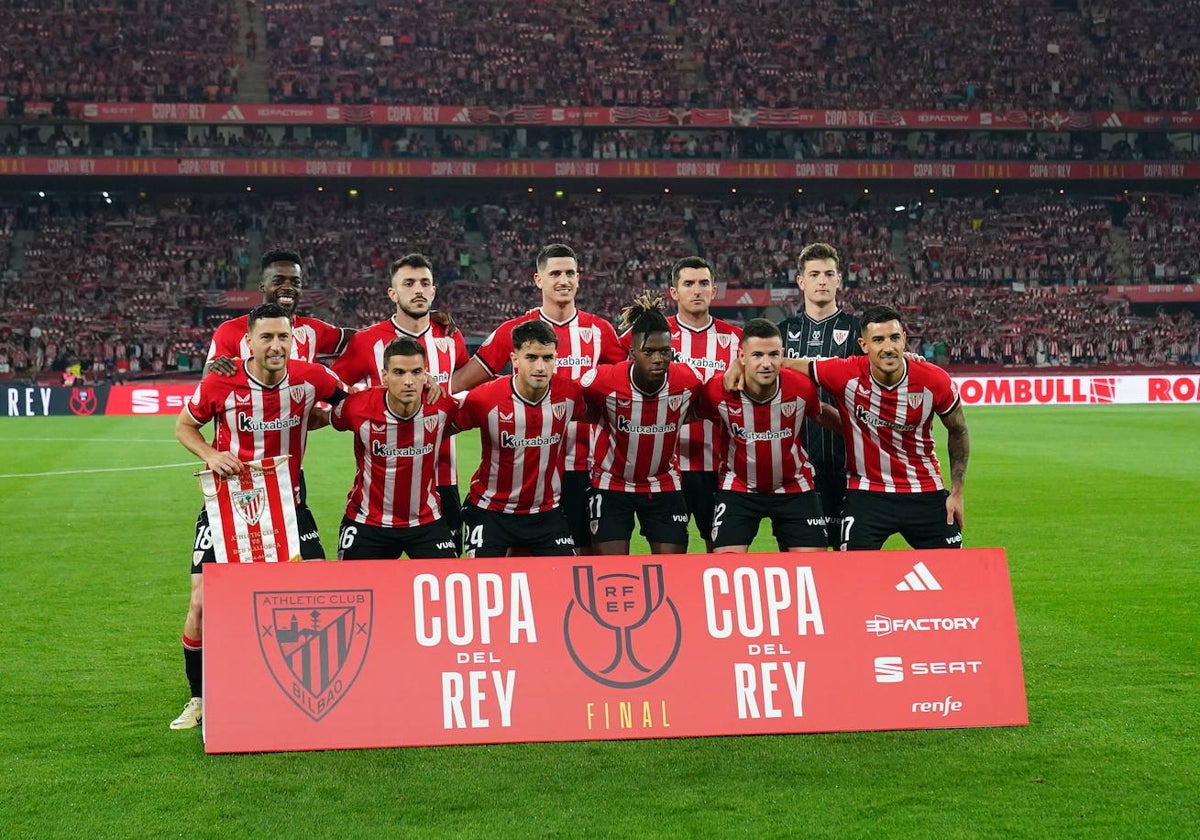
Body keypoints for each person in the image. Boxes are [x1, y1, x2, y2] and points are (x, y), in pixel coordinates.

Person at [170, 302, 348, 730]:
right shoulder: (222, 380)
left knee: (317, 594)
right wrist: (212, 454)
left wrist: (314, 419)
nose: (275, 345)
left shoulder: (313, 378)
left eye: (282, 337)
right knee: (201, 603)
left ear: (294, 340)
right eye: (265, 337)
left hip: (290, 504)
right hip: (229, 505)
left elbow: (349, 407)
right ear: (247, 340)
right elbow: (184, 426)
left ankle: (297, 691)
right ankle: (199, 698)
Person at [452, 243, 624, 553]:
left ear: (578, 278)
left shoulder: (601, 331)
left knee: (583, 558)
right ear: (538, 279)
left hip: (589, 467)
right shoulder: (513, 331)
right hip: (530, 471)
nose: (564, 280)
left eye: (570, 273)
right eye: (555, 273)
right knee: (520, 558)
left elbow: (623, 387)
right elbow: (460, 382)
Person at [804, 304, 969, 551]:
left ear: (904, 339)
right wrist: (740, 369)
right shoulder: (845, 372)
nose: (888, 347)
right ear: (863, 345)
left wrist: (956, 493)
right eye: (878, 340)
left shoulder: (933, 380)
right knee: (851, 576)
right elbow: (786, 366)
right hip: (867, 493)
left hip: (925, 490)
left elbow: (958, 430)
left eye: (894, 338)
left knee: (952, 577)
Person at [333, 254, 468, 552]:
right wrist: (370, 402)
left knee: (440, 587)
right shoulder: (367, 341)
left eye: (424, 283)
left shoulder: (449, 336)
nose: (418, 290)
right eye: (408, 283)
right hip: (382, 481)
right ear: (392, 293)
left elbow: (459, 391)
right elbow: (333, 387)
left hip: (442, 476)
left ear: (433, 291)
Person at [621, 256, 741, 550]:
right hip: (665, 469)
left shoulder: (737, 340)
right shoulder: (648, 336)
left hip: (720, 466)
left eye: (703, 283)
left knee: (721, 549)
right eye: (688, 283)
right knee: (670, 552)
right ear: (674, 292)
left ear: (714, 290)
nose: (696, 290)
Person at [695, 319, 839, 553]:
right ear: (741, 356)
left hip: (794, 487)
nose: (766, 363)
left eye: (773, 355)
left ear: (782, 355)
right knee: (726, 566)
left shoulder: (801, 388)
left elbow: (821, 414)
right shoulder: (718, 391)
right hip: (739, 488)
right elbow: (689, 414)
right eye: (757, 355)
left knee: (814, 569)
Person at [454, 320, 589, 557]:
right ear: (515, 359)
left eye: (547, 358)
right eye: (531, 357)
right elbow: (439, 429)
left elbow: (603, 415)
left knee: (563, 584)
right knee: (485, 587)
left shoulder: (570, 394)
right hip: (491, 511)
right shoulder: (485, 399)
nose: (540, 366)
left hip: (546, 512)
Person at [580, 293, 702, 555]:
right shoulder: (602, 381)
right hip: (611, 484)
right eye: (649, 352)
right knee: (610, 572)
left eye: (664, 351)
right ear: (632, 353)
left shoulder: (688, 382)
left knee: (671, 572)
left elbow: (706, 406)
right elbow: (573, 402)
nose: (658, 359)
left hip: (663, 483)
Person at [331, 336, 460, 560]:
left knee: (446, 589)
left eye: (416, 372)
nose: (409, 381)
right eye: (399, 372)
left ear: (426, 374)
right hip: (367, 521)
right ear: (384, 376)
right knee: (354, 590)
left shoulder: (443, 407)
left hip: (426, 521)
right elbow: (328, 418)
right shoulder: (357, 408)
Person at [777, 242, 863, 547]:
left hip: (849, 464)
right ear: (801, 281)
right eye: (814, 274)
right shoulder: (781, 333)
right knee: (800, 559)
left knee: (848, 562)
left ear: (839, 279)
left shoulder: (859, 331)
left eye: (829, 274)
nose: (822, 281)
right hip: (795, 467)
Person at [205, 248, 351, 374]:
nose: (288, 287)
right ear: (262, 286)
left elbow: (364, 339)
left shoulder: (313, 330)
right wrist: (215, 368)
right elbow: (209, 379)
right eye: (278, 281)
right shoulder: (230, 330)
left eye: (295, 282)